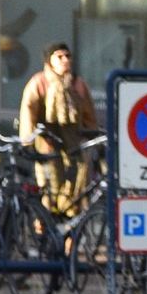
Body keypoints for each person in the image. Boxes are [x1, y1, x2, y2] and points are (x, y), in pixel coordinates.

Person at [18, 43, 98, 216]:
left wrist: (93, 138)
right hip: (47, 140)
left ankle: (69, 213)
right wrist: (28, 140)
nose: (65, 60)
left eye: (67, 56)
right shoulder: (39, 82)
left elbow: (88, 113)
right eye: (59, 56)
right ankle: (46, 221)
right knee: (50, 182)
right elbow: (28, 111)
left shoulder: (77, 83)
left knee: (78, 176)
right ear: (50, 61)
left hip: (73, 139)